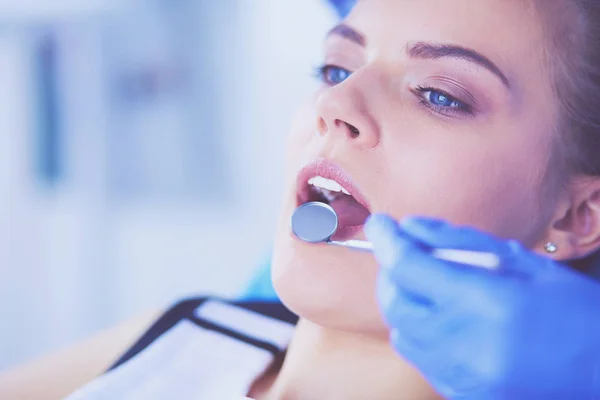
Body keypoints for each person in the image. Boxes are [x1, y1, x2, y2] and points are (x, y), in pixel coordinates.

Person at [3, 0, 600, 398]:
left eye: (439, 95)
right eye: (335, 70)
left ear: (576, 216)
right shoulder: (190, 333)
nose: (334, 105)